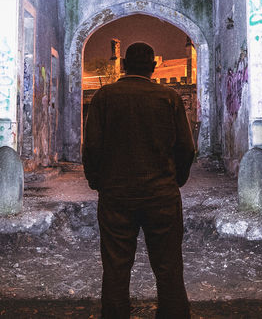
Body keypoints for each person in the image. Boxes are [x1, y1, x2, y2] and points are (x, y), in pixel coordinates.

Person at [83, 41, 196, 319]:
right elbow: (186, 148)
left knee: (116, 266)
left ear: (123, 65)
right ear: (154, 67)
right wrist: (175, 180)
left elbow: (91, 147)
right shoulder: (169, 98)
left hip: (117, 195)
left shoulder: (104, 97)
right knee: (168, 265)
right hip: (161, 194)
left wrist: (97, 181)